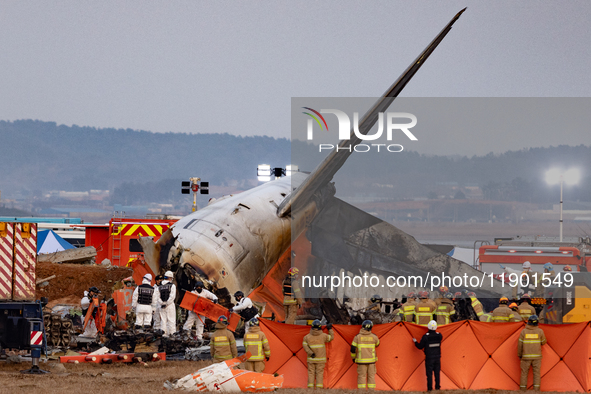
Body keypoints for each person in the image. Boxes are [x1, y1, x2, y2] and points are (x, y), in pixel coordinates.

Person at [518, 315, 547, 391]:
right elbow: (544, 342)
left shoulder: (523, 331)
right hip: (537, 357)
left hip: (525, 357)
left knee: (524, 373)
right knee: (536, 373)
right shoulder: (540, 331)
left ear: (528, 322)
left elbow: (520, 345)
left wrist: (520, 355)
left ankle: (522, 390)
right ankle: (536, 390)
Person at [303, 320, 334, 389]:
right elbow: (331, 337)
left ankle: (310, 389)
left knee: (311, 374)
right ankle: (319, 389)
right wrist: (330, 329)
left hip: (311, 359)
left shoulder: (307, 337)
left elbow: (305, 346)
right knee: (319, 374)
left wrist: (310, 353)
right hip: (321, 360)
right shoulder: (323, 336)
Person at [413, 320, 442, 391]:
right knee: (437, 373)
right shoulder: (439, 335)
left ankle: (430, 389)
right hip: (437, 357)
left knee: (429, 374)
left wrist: (415, 342)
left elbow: (420, 346)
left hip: (429, 358)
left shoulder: (426, 337)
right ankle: (437, 388)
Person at [351, 320, 379, 390]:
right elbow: (378, 344)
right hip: (371, 361)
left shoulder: (357, 337)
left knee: (361, 376)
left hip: (361, 361)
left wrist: (353, 358)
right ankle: (371, 391)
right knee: (371, 376)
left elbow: (352, 349)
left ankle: (361, 391)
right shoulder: (374, 337)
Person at [158, 271, 177, 336]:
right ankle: (172, 335)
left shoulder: (159, 286)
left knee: (163, 321)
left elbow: (157, 297)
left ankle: (163, 335)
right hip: (170, 305)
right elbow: (172, 297)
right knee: (171, 320)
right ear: (170, 278)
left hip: (162, 306)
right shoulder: (172, 286)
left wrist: (162, 303)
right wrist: (167, 303)